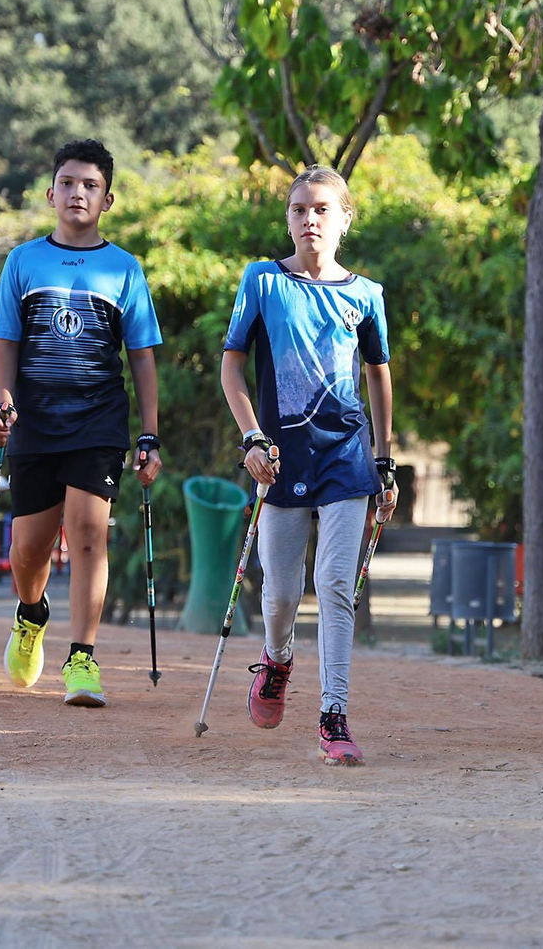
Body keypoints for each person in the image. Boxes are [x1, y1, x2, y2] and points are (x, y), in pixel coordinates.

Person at [220, 165, 397, 767]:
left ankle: (334, 715)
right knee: (279, 593)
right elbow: (232, 366)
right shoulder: (264, 282)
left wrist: (385, 459)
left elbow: (378, 373)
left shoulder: (366, 295)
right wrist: (250, 437)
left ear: (345, 219)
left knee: (337, 588)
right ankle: (277, 660)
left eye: (323, 209)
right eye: (299, 209)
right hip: (279, 457)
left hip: (346, 456)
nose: (310, 220)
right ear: (288, 220)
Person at [0, 139, 162, 707]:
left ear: (108, 198)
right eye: (67, 182)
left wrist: (149, 434)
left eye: (90, 185)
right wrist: (3, 405)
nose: (77, 193)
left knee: (88, 531)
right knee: (29, 549)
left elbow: (142, 358)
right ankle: (31, 613)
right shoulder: (22, 261)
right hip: (34, 420)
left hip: (98, 420)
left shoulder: (124, 268)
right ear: (50, 192)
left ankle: (82, 657)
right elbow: (5, 343)